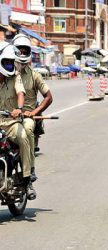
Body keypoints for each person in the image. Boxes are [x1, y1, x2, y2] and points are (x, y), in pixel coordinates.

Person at [12, 34, 53, 182]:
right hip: (7, 116)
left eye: (25, 51)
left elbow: (48, 97)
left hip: (26, 117)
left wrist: (33, 112)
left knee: (28, 130)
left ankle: (30, 171)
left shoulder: (35, 75)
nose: (22, 54)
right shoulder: (5, 71)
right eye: (19, 50)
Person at [0, 41, 36, 200]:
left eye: (10, 62)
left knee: (23, 136)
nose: (9, 66)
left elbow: (20, 93)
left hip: (10, 123)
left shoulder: (16, 77)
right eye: (6, 63)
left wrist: (19, 109)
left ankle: (27, 178)